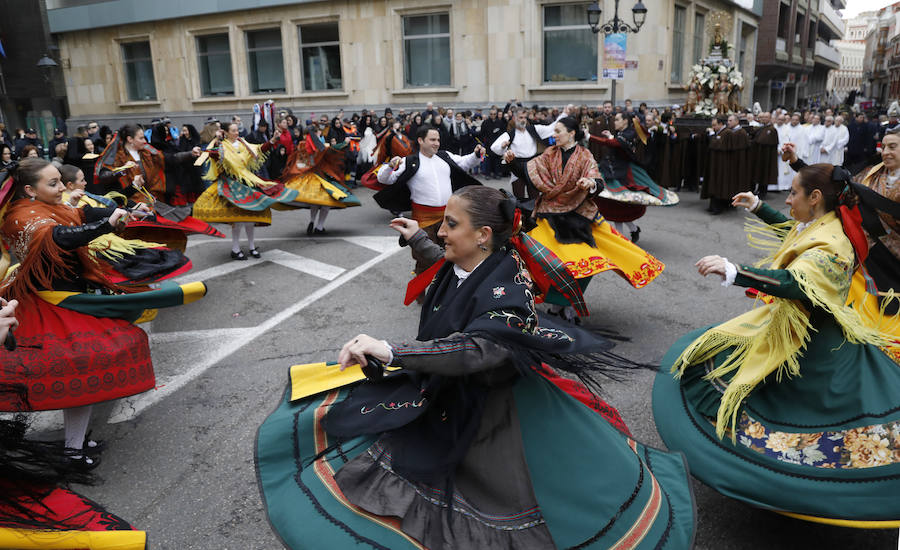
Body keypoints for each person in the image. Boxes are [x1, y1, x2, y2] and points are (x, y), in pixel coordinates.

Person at [256, 186, 695, 550]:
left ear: (484, 234)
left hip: (490, 408)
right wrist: (417, 238)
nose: (441, 231)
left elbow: (477, 350)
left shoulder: (510, 286)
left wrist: (390, 351)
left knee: (487, 505)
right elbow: (447, 267)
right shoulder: (471, 260)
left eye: (450, 224)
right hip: (446, 387)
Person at [653, 163, 900, 524]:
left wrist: (735, 271)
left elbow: (794, 283)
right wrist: (758, 207)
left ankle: (792, 486)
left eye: (793, 193)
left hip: (813, 342)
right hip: (798, 329)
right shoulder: (824, 223)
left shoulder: (833, 243)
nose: (786, 199)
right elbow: (793, 232)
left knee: (804, 414)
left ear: (815, 197)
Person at [0, 159, 206, 470]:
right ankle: (72, 450)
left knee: (84, 374)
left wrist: (125, 212)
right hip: (49, 303)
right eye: (53, 183)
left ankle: (75, 443)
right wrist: (107, 225)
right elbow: (58, 237)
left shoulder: (53, 206)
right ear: (29, 189)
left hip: (70, 299)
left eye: (61, 181)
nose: (62, 188)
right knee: (83, 372)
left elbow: (82, 214)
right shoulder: (20, 216)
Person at [508, 116, 665, 321]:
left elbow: (597, 181)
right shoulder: (549, 154)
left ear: (571, 133)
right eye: (554, 131)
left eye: (558, 131)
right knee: (544, 260)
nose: (554, 135)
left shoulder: (584, 155)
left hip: (579, 217)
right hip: (549, 214)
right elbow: (528, 171)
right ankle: (557, 305)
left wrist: (590, 183)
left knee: (583, 263)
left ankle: (565, 306)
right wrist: (512, 162)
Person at [375, 126, 484, 275]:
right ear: (421, 140)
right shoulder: (409, 161)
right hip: (423, 220)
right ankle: (423, 290)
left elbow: (465, 162)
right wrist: (390, 166)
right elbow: (384, 179)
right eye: (432, 140)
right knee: (424, 261)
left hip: (448, 218)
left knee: (453, 256)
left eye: (438, 140)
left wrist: (476, 154)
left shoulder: (445, 156)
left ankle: (446, 286)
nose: (437, 143)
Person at [59, 164, 191, 286]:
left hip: (109, 235)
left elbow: (108, 201)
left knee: (155, 253)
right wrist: (129, 212)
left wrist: (133, 188)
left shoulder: (82, 195)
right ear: (70, 185)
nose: (85, 183)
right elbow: (93, 213)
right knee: (148, 260)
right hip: (99, 245)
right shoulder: (68, 201)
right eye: (82, 180)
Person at [193, 122, 301, 260]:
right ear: (226, 132)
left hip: (247, 181)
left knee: (251, 219)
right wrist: (213, 142)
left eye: (237, 130)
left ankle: (251, 247)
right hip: (232, 184)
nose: (237, 133)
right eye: (233, 130)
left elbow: (259, 149)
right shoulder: (221, 146)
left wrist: (273, 139)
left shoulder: (243, 143)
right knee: (238, 220)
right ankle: (235, 249)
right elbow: (212, 154)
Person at [589, 112, 679, 242]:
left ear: (625, 121)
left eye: (617, 119)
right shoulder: (623, 133)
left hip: (623, 174)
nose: (615, 122)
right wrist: (611, 136)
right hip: (613, 170)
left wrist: (590, 136)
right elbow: (617, 143)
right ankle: (632, 230)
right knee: (616, 206)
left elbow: (615, 143)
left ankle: (621, 239)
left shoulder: (630, 133)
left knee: (619, 205)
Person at [281, 126, 361, 235]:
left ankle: (312, 221)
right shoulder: (316, 146)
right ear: (315, 133)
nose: (320, 134)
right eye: (318, 132)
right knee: (326, 202)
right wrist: (344, 143)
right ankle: (319, 226)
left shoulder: (300, 145)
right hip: (318, 177)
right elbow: (331, 150)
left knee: (314, 201)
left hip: (304, 178)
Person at [490, 106, 568, 200]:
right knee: (519, 197)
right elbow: (494, 148)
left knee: (534, 196)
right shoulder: (510, 134)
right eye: (520, 117)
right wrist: (503, 146)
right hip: (517, 166)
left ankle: (534, 209)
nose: (523, 120)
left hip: (532, 166)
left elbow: (551, 128)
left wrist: (564, 114)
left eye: (525, 117)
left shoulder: (533, 129)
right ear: (514, 118)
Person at [749, 111, 779, 199]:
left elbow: (765, 140)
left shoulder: (772, 130)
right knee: (755, 172)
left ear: (770, 118)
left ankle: (762, 192)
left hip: (766, 157)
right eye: (762, 117)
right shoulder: (760, 127)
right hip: (757, 154)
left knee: (764, 173)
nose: (763, 119)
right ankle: (753, 190)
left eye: (766, 117)